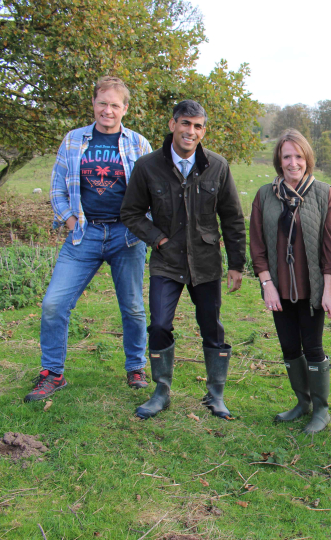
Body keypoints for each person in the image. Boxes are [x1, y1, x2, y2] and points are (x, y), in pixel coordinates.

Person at [24, 77, 151, 403]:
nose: (107, 110)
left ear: (125, 108)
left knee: (134, 308)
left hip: (126, 236)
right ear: (93, 104)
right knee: (54, 303)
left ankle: (136, 366)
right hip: (84, 234)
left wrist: (144, 229)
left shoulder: (139, 144)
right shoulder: (73, 140)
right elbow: (56, 186)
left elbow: (155, 191)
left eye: (114, 105)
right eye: (102, 103)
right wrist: (69, 220)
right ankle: (52, 373)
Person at [121, 100, 246, 420]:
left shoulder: (217, 166)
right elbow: (131, 213)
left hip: (205, 262)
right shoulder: (148, 166)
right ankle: (161, 391)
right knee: (159, 324)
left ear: (203, 130)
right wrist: (158, 238)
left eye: (198, 126)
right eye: (186, 124)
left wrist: (235, 264)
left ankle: (215, 394)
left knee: (212, 328)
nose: (191, 131)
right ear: (173, 124)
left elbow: (232, 217)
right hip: (167, 261)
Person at [250, 129, 331, 434]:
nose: (292, 163)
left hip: (311, 288)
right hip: (279, 289)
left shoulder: (323, 193)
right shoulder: (265, 195)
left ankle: (321, 409)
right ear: (279, 159)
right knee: (289, 347)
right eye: (286, 156)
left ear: (307, 159)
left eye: (298, 156)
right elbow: (257, 244)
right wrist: (266, 284)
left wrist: (329, 290)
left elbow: (330, 247)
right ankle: (302, 403)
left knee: (312, 347)